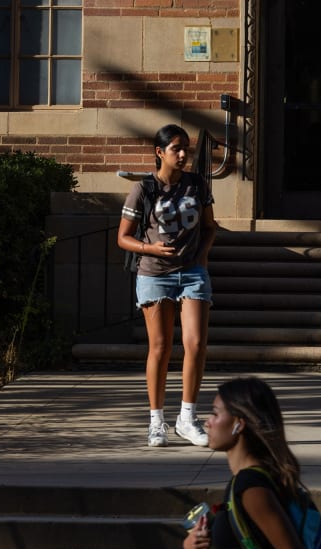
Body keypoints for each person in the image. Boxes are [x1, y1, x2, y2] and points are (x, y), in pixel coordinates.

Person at [117, 124, 217, 447]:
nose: (184, 154)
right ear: (160, 153)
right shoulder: (143, 190)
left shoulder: (196, 185)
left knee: (196, 344)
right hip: (154, 273)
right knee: (159, 347)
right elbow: (123, 238)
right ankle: (156, 420)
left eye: (186, 147)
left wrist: (201, 257)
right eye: (176, 148)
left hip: (191, 273)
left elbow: (210, 227)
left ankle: (187, 418)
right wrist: (151, 249)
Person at [182, 377, 308, 549]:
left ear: (238, 425)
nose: (207, 422)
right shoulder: (242, 482)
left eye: (215, 414)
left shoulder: (251, 487)